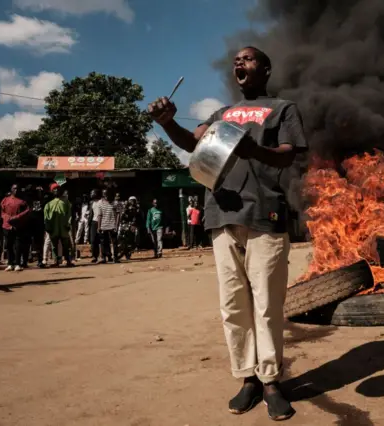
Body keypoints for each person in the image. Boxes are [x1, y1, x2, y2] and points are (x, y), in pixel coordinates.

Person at [148, 46, 306, 421]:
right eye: (237, 59)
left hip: (265, 213)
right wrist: (168, 123)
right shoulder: (221, 115)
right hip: (220, 214)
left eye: (249, 58)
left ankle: (271, 381)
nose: (240, 62)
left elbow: (289, 154)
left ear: (265, 69)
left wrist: (255, 149)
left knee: (267, 304)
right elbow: (194, 142)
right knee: (233, 304)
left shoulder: (282, 108)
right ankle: (247, 377)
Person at [0, 184, 31, 271]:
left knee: (18, 245)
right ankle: (10, 263)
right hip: (7, 225)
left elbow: (27, 210)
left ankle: (17, 263)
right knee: (9, 245)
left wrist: (18, 217)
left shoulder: (23, 201)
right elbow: (1, 212)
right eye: (14, 188)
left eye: (17, 188)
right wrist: (7, 218)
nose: (16, 190)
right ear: (11, 189)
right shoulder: (5, 200)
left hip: (19, 225)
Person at [43, 183, 74, 267]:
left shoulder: (66, 201)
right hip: (54, 228)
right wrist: (48, 227)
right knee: (54, 246)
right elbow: (46, 217)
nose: (56, 191)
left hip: (64, 227)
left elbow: (69, 214)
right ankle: (56, 261)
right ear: (52, 191)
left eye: (57, 189)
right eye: (54, 189)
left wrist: (68, 223)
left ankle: (68, 260)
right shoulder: (48, 204)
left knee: (66, 245)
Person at [97, 189, 118, 263]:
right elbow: (99, 215)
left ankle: (115, 257)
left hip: (112, 225)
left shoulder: (115, 203)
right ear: (103, 195)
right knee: (103, 242)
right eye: (105, 194)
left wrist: (116, 225)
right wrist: (99, 227)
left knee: (114, 242)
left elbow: (117, 215)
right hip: (103, 225)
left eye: (107, 194)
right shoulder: (100, 203)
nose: (106, 196)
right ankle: (103, 258)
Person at [75, 194, 90, 259]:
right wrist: (78, 216)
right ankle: (77, 240)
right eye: (83, 198)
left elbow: (89, 211)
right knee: (79, 229)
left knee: (86, 229)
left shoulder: (89, 205)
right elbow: (78, 211)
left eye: (85, 198)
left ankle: (85, 240)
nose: (84, 199)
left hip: (86, 217)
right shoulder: (80, 204)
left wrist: (87, 213)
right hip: (81, 218)